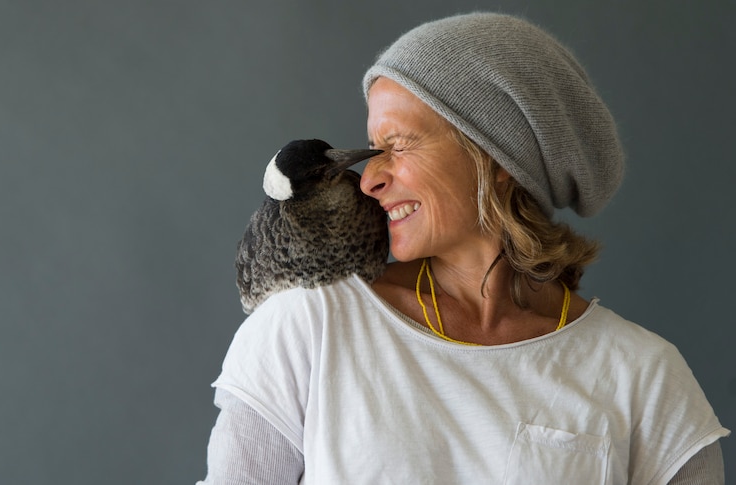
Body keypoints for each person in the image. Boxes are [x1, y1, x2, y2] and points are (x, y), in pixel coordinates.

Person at [198, 12, 729, 484]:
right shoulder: (311, 327)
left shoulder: (644, 377)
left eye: (397, 145)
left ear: (496, 162)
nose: (368, 178)